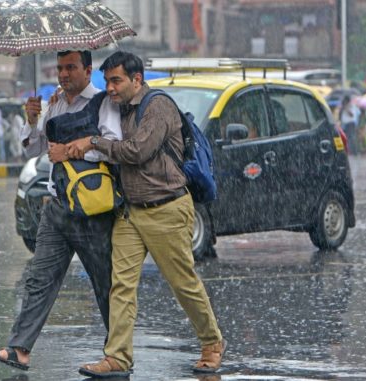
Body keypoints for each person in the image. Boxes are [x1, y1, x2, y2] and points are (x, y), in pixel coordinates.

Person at [67, 51, 225, 377]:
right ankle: (118, 357)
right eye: (107, 81)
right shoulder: (118, 109)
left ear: (137, 79)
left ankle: (211, 342)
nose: (109, 88)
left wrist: (93, 141)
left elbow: (138, 151)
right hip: (131, 213)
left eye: (116, 80)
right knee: (121, 286)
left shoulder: (158, 106)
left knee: (182, 283)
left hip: (166, 207)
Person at [0, 50, 122, 371]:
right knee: (39, 279)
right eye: (60, 68)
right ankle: (19, 348)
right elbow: (33, 149)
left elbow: (114, 147)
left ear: (88, 70)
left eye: (71, 67)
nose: (63, 74)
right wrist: (32, 121)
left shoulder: (103, 103)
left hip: (93, 210)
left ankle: (117, 354)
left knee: (106, 284)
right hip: (57, 207)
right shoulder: (54, 104)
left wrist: (74, 150)